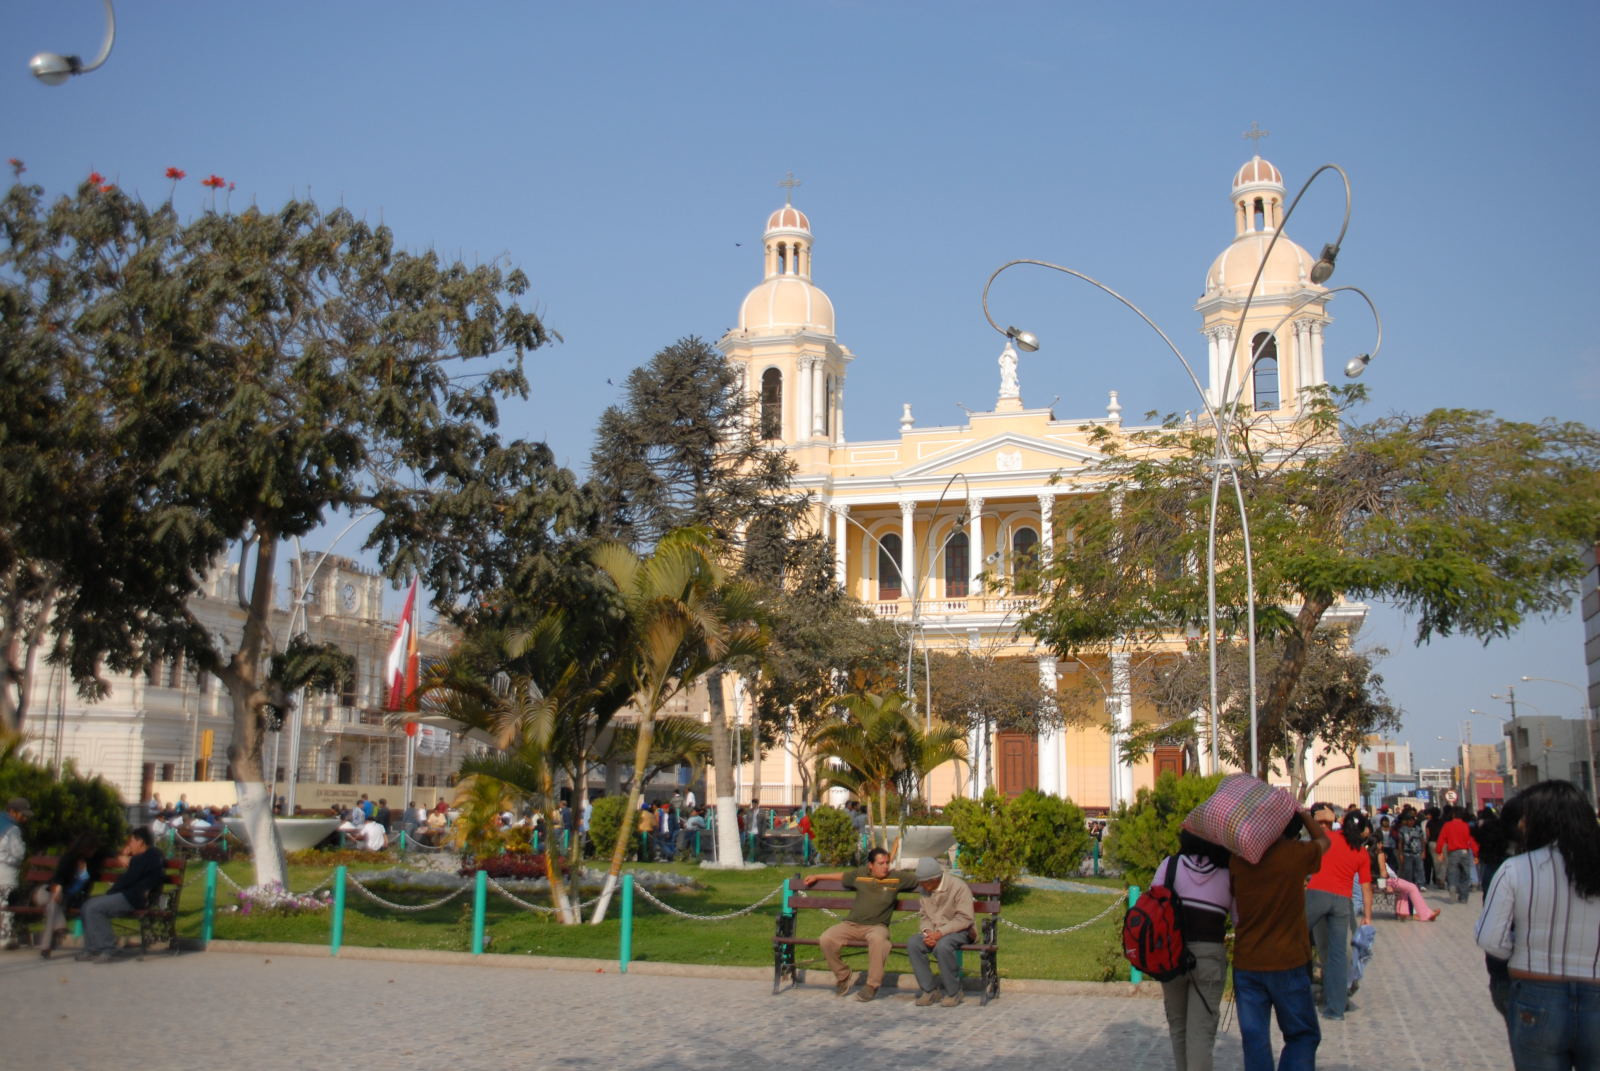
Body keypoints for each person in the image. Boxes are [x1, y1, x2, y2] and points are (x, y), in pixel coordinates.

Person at [1475, 780, 1600, 1069]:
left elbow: (1489, 938)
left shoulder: (1516, 869)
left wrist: (1522, 951)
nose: (1521, 824)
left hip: (1537, 993)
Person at [1230, 801, 1331, 1071]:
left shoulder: (1240, 857)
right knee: (1302, 1035)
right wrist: (1304, 814)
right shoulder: (1295, 854)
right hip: (1288, 959)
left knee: (1255, 1039)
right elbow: (1324, 842)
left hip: (1247, 961)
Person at [1152, 831, 1234, 1070]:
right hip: (1209, 957)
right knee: (1201, 1033)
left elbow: (1153, 903)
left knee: (1178, 1028)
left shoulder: (1170, 866)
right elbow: (1239, 918)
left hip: (1172, 955)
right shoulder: (1228, 873)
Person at [805, 847, 921, 1002]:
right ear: (871, 865)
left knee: (879, 941)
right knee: (827, 938)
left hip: (877, 927)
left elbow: (922, 879)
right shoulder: (860, 874)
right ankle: (843, 975)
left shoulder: (897, 878)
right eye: (881, 863)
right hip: (852, 925)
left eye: (887, 863)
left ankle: (872, 986)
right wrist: (817, 876)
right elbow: (842, 876)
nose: (885, 866)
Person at [1305, 806, 1372, 1020]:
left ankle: (1276, 990)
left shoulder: (1329, 837)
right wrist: (1367, 916)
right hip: (1342, 903)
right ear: (1363, 832)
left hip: (1317, 894)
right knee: (1337, 956)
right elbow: (1366, 888)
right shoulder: (1361, 853)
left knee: (1291, 936)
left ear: (1342, 824)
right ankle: (1336, 1009)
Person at [78, 827, 166, 963]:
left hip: (134, 898)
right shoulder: (147, 856)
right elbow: (105, 854)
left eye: (131, 841)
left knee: (94, 908)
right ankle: (92, 948)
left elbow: (128, 880)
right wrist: (122, 856)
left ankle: (108, 948)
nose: (129, 845)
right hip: (126, 895)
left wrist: (110, 892)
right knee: (86, 906)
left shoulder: (150, 856)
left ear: (140, 842)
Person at [907, 858, 974, 1008]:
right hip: (936, 931)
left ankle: (954, 992)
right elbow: (924, 916)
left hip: (960, 931)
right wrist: (928, 932)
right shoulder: (925, 890)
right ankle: (929, 990)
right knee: (913, 943)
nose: (921, 886)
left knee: (943, 946)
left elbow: (965, 919)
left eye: (923, 882)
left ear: (935, 879)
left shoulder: (958, 887)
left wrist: (940, 933)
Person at [33, 833, 107, 957]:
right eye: (92, 848)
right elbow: (58, 878)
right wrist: (57, 891)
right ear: (85, 848)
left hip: (68, 899)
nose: (94, 851)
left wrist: (120, 855)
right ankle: (60, 926)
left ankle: (48, 944)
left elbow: (107, 851)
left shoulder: (93, 861)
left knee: (53, 906)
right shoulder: (69, 859)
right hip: (48, 892)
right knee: (53, 901)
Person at [0, 796, 32, 950]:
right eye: (22, 814)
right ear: (12, 811)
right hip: (6, 871)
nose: (24, 818)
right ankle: (4, 937)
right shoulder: (13, 829)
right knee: (6, 904)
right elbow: (18, 853)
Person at [1435, 805, 1479, 903]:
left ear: (1453, 814)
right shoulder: (1465, 825)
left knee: (1453, 872)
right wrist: (1476, 854)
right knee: (1465, 874)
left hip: (1453, 853)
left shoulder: (1447, 825)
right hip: (1465, 852)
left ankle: (1452, 888)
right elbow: (1470, 840)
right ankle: (1463, 897)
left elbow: (1441, 839)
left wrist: (1439, 851)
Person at [1395, 811, 1427, 888]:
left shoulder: (1418, 829)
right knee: (1408, 870)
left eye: (1412, 820)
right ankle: (1409, 884)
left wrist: (1423, 851)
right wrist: (1401, 854)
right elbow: (1400, 843)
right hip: (1407, 853)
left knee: (1420, 869)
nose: (1411, 822)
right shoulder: (1402, 830)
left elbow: (1422, 840)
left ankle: (1421, 884)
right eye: (1409, 820)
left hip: (1418, 852)